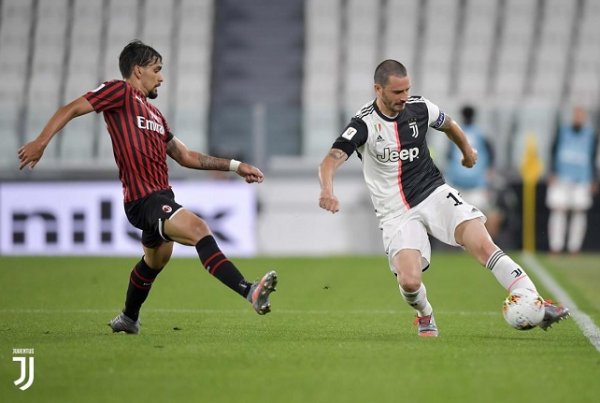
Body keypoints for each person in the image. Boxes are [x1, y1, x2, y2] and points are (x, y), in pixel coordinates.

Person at [18, 40, 277, 334]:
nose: (161, 77)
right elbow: (72, 107)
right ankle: (249, 291)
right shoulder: (119, 92)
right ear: (138, 71)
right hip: (143, 200)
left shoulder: (156, 116)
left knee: (154, 262)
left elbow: (186, 156)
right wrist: (40, 142)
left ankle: (128, 318)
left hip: (161, 196)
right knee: (199, 230)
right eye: (157, 70)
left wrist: (235, 166)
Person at [318, 59, 569, 337]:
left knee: (483, 243)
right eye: (397, 92)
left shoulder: (420, 107)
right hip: (395, 212)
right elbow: (329, 160)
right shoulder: (364, 123)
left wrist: (467, 151)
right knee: (410, 282)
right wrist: (327, 190)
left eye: (407, 90)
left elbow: (449, 125)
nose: (404, 97)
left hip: (433, 192)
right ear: (378, 89)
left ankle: (533, 299)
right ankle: (425, 314)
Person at [546, 106, 599, 254]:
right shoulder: (562, 132)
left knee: (579, 212)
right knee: (558, 210)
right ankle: (556, 246)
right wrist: (552, 172)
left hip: (582, 178)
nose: (578, 118)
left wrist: (594, 179)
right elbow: (553, 151)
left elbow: (593, 157)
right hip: (561, 177)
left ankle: (574, 247)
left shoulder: (591, 135)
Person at [445, 105, 503, 238]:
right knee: (480, 217)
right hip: (476, 183)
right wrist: (489, 171)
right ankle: (484, 243)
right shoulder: (481, 134)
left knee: (461, 218)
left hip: (459, 182)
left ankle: (467, 244)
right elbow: (492, 154)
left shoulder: (454, 134)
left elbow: (448, 156)